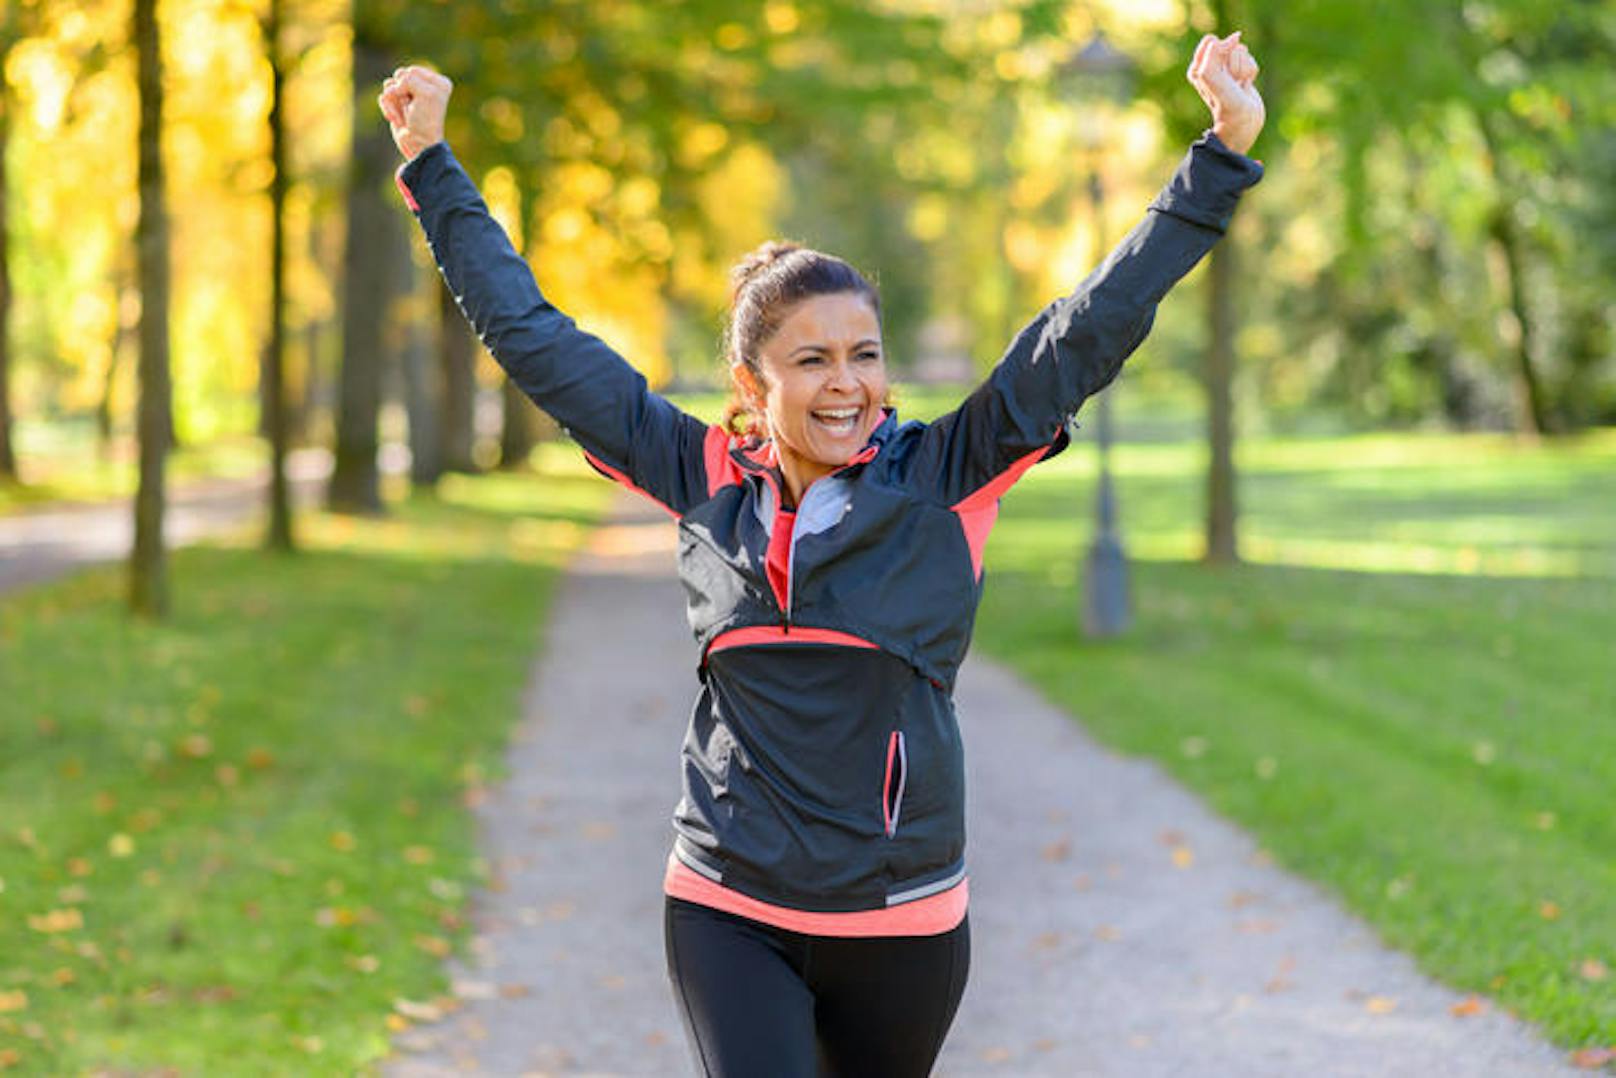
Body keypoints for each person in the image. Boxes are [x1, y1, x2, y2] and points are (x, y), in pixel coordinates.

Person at [379, 30, 1264, 1078]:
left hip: (901, 916)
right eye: (811, 360)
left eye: (863, 355)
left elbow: (1083, 330)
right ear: (753, 388)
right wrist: (433, 167)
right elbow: (532, 336)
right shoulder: (698, 470)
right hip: (726, 900)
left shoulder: (946, 474)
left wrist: (1215, 160)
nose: (846, 384)